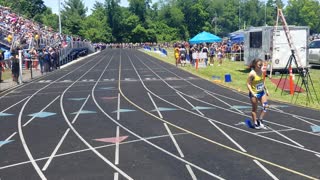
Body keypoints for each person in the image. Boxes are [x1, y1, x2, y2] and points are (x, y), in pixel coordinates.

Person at [247, 58, 269, 129]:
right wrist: (252, 93)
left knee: (265, 106)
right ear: (255, 65)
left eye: (261, 65)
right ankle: (255, 123)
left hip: (262, 92)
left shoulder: (261, 71)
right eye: (259, 65)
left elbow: (262, 81)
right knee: (254, 109)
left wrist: (266, 89)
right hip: (255, 94)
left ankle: (260, 119)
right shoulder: (252, 74)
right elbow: (248, 84)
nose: (261, 66)